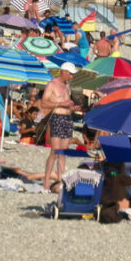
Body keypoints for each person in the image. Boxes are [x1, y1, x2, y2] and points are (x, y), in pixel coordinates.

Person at [41, 61, 77, 190]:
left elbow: (67, 104)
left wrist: (73, 107)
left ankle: (60, 182)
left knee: (63, 153)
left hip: (68, 118)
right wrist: (62, 104)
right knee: (54, 152)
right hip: (56, 117)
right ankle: (46, 183)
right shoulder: (52, 84)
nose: (72, 77)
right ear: (65, 72)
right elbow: (44, 103)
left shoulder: (67, 86)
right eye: (71, 74)